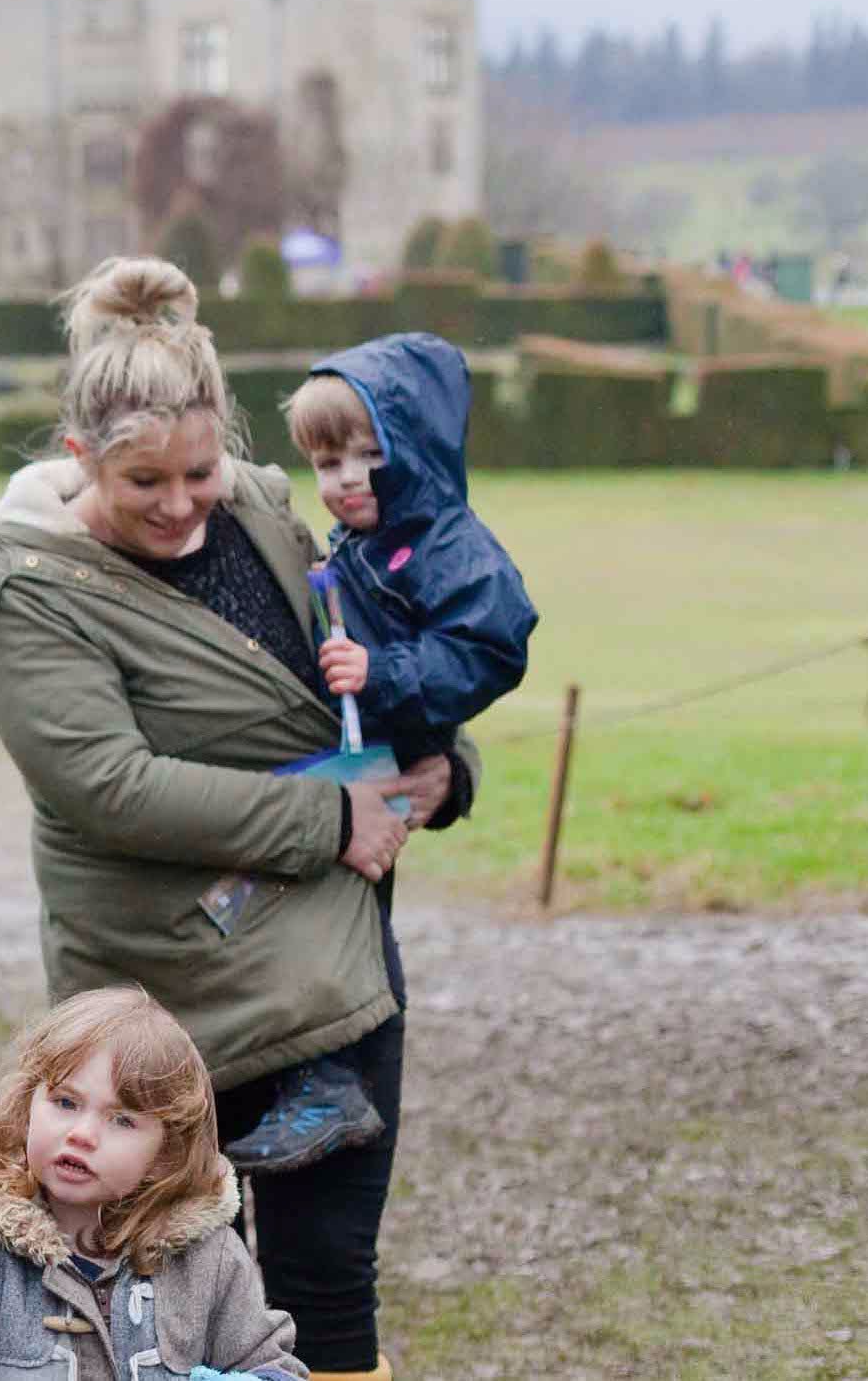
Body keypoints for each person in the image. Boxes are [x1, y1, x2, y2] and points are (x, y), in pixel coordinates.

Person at [0, 258, 472, 1381]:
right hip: (170, 988)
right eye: (147, 482)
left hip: (335, 961)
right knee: (168, 1296)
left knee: (331, 1274)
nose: (184, 504)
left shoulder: (263, 505)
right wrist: (334, 820)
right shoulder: (23, 588)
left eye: (201, 470)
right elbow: (108, 786)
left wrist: (437, 761)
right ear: (80, 458)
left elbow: (347, 670)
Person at [216, 335, 535, 1177]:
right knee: (303, 909)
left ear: (415, 450)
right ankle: (318, 1077)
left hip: (388, 762)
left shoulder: (445, 544)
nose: (345, 479)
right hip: (360, 750)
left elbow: (496, 644)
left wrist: (383, 673)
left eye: (367, 456)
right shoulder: (373, 541)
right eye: (327, 462)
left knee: (324, 917)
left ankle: (329, 1081)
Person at [0, 987, 304, 1381]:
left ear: (166, 1152)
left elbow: (270, 1363)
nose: (82, 1134)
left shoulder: (209, 1257)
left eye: (122, 1120)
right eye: (66, 1103)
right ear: (25, 1107)